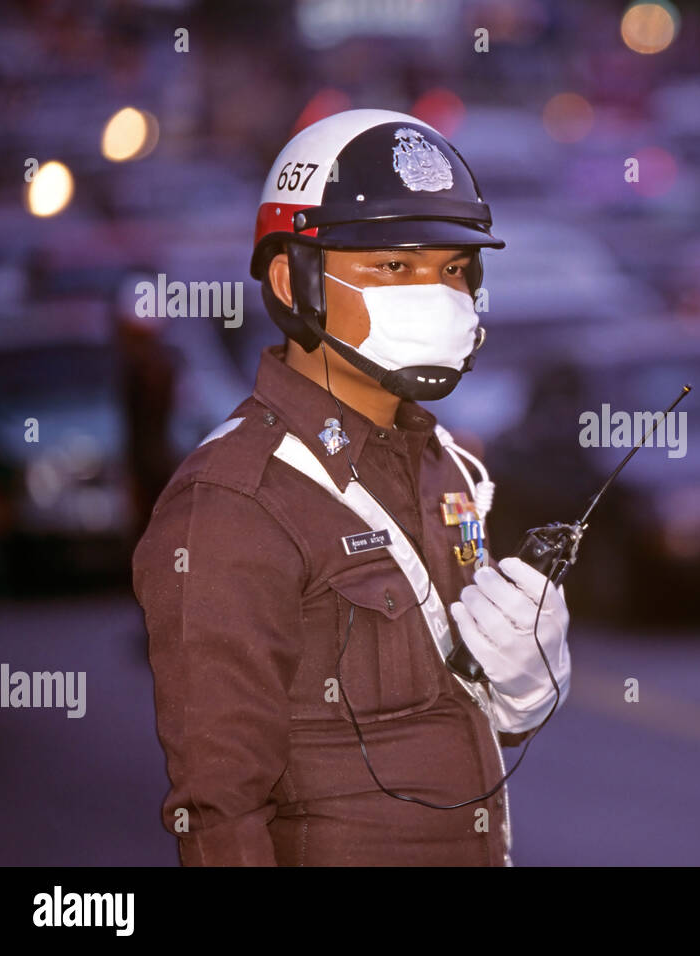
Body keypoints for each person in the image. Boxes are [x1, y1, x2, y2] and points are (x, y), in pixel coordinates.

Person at [132, 109, 571, 866]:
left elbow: (450, 720)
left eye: (454, 270)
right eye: (394, 267)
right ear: (291, 279)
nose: (437, 294)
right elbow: (219, 811)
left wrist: (523, 690)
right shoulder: (237, 499)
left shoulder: (443, 466)